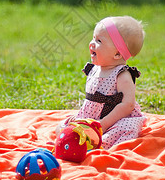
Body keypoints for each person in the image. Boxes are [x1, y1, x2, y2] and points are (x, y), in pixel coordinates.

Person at [57, 16, 146, 149]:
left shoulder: (122, 75)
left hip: (114, 120)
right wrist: (81, 119)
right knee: (63, 127)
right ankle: (82, 138)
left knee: (126, 129)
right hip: (91, 117)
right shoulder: (94, 69)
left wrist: (103, 124)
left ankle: (98, 143)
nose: (92, 43)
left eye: (99, 41)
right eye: (93, 37)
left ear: (117, 54)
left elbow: (128, 105)